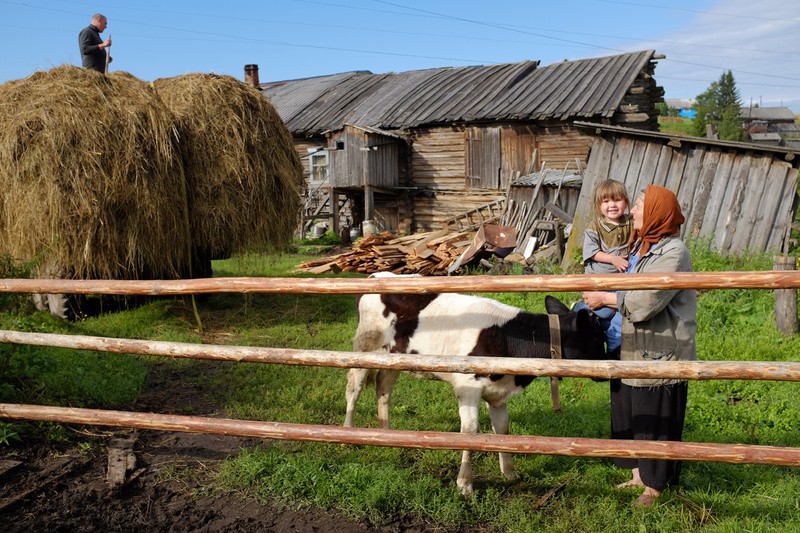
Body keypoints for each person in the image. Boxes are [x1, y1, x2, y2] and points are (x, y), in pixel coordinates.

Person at [580, 185, 696, 507]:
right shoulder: (642, 248)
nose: (632, 211)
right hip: (632, 343)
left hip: (661, 348)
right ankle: (638, 475)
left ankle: (655, 487)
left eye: (640, 206)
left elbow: (646, 302)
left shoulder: (673, 253)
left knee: (655, 415)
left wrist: (605, 298)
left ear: (657, 213)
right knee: (632, 411)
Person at [575, 179, 632, 355]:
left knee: (616, 316)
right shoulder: (596, 226)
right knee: (603, 312)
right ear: (598, 205)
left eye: (617, 200)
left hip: (619, 281)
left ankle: (614, 347)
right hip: (599, 279)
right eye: (606, 201)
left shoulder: (631, 223)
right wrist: (613, 259)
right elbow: (592, 252)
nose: (612, 205)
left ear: (626, 202)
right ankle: (579, 311)